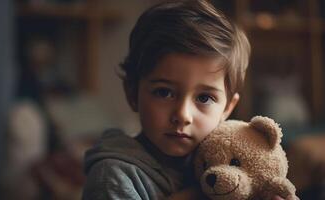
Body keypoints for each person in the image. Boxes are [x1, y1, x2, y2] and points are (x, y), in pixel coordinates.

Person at [82, 0, 298, 199]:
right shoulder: (113, 175)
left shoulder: (222, 169)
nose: (182, 115)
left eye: (204, 97)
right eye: (163, 92)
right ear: (132, 93)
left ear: (227, 109)